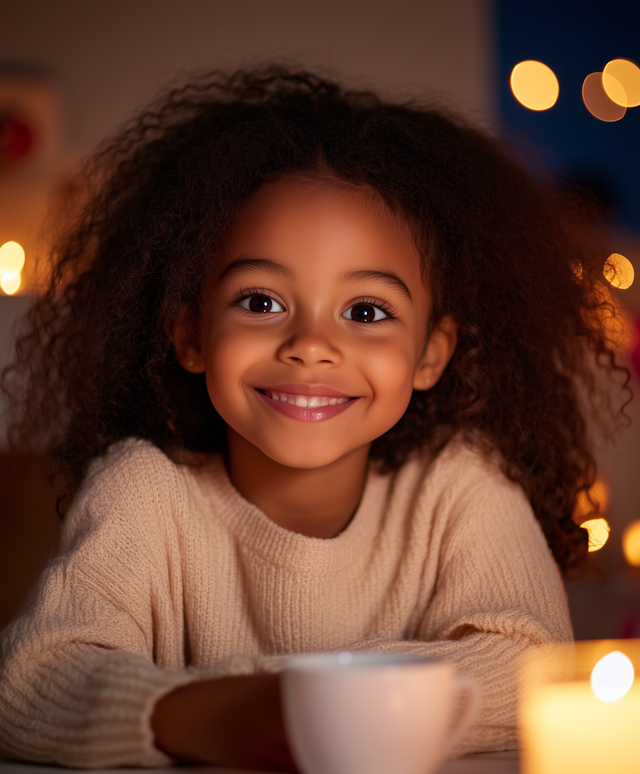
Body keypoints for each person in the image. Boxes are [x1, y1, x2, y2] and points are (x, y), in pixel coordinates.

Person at [0, 67, 628, 770]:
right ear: (191, 334)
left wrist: (295, 697)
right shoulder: (145, 492)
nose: (310, 346)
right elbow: (30, 682)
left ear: (430, 353)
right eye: (261, 302)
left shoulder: (460, 487)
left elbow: (527, 667)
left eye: (366, 312)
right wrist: (233, 715)